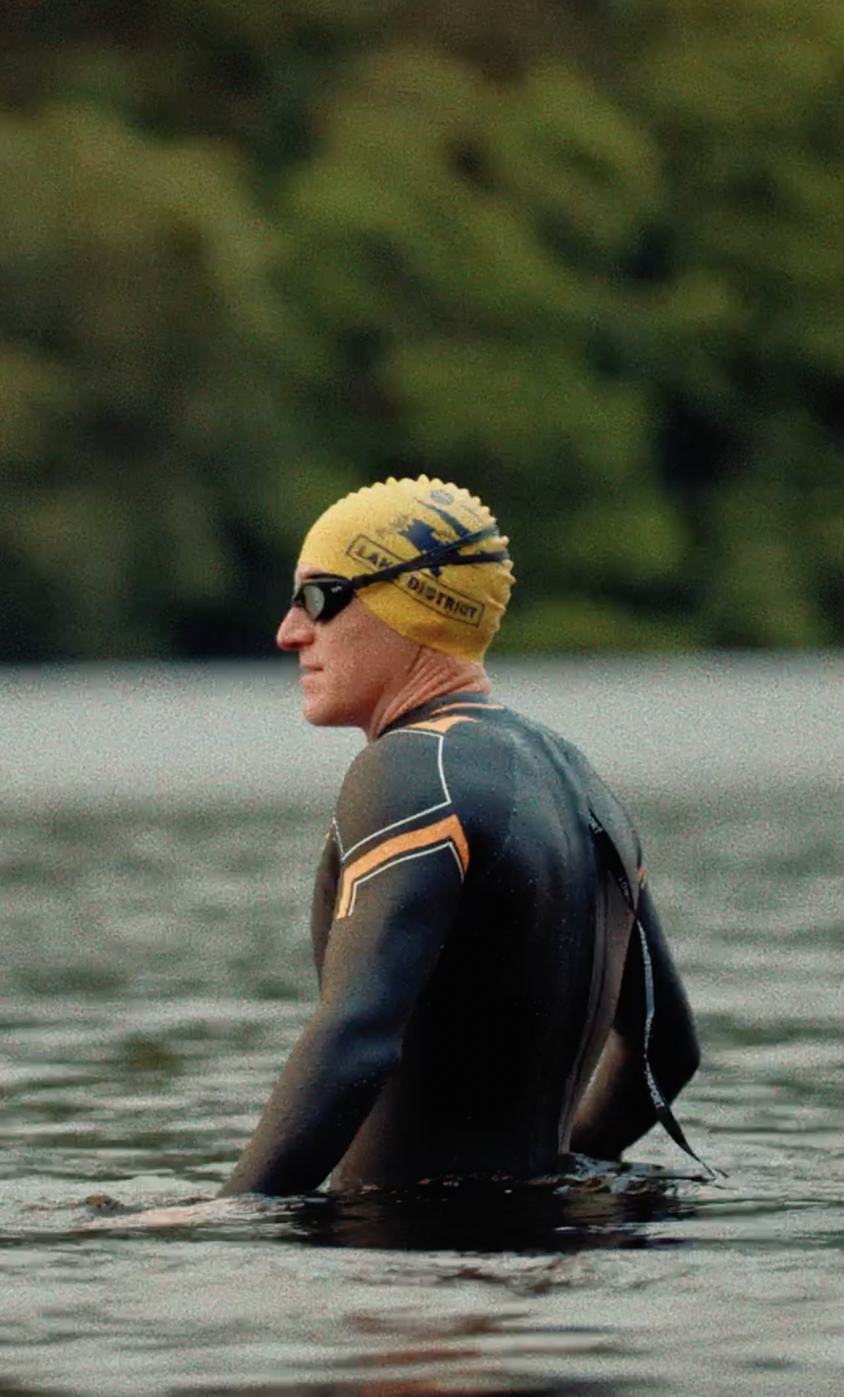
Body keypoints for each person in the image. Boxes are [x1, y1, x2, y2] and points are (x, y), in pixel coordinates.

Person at [222, 477, 703, 1197]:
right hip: (549, 1269)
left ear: (407, 601)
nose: (290, 631)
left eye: (319, 598)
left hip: (416, 1275)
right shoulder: (580, 779)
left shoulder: (412, 769)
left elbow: (356, 1035)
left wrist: (229, 1220)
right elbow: (665, 1052)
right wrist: (550, 1178)